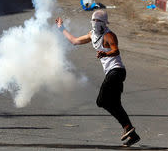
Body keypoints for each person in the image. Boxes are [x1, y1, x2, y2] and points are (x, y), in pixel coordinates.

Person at [55, 10, 141, 147]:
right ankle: (131, 132)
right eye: (93, 21)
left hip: (117, 71)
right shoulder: (92, 34)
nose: (95, 24)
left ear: (104, 23)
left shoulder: (109, 35)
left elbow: (116, 50)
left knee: (102, 101)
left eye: (98, 21)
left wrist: (106, 54)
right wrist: (61, 28)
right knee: (114, 104)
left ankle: (128, 128)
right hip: (111, 74)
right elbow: (75, 41)